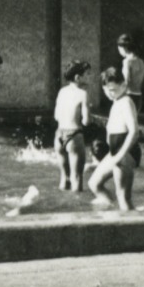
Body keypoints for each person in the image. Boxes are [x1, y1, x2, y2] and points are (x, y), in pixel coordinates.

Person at [88, 66, 141, 212]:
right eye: (106, 90)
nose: (109, 94)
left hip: (125, 152)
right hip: (115, 152)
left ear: (124, 85)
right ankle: (111, 213)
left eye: (112, 90)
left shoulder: (126, 102)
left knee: (123, 197)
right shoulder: (116, 101)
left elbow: (134, 132)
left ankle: (132, 227)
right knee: (94, 184)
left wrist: (121, 156)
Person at [52, 60, 92, 191]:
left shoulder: (62, 91)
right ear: (77, 77)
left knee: (64, 179)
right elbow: (86, 121)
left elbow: (56, 116)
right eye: (87, 74)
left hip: (59, 135)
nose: (89, 77)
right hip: (74, 135)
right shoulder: (83, 94)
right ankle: (79, 208)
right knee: (77, 178)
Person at [117, 33, 144, 108]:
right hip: (138, 96)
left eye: (119, 49)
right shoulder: (141, 61)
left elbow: (126, 81)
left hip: (128, 96)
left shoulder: (127, 62)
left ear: (123, 48)